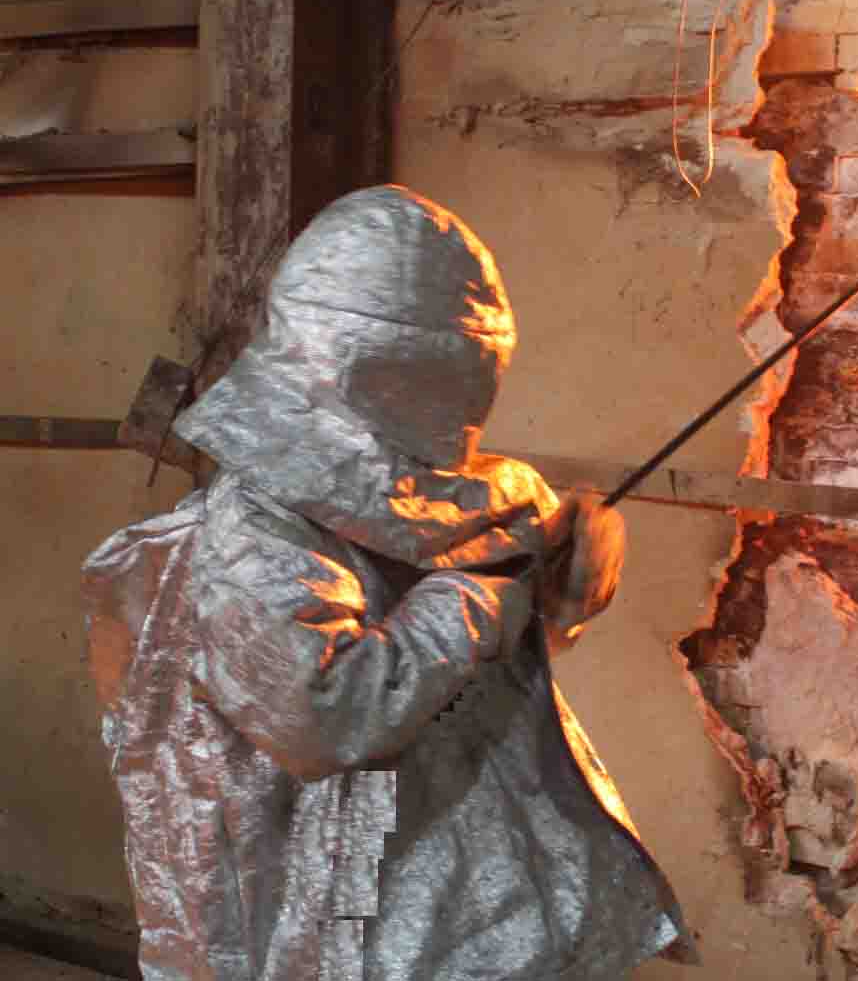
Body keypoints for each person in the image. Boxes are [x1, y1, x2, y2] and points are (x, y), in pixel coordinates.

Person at [83, 185, 695, 980]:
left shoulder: (441, 503)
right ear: (374, 367)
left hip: (451, 905)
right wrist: (484, 594)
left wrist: (567, 575)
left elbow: (493, 667)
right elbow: (324, 715)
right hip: (326, 915)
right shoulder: (251, 533)